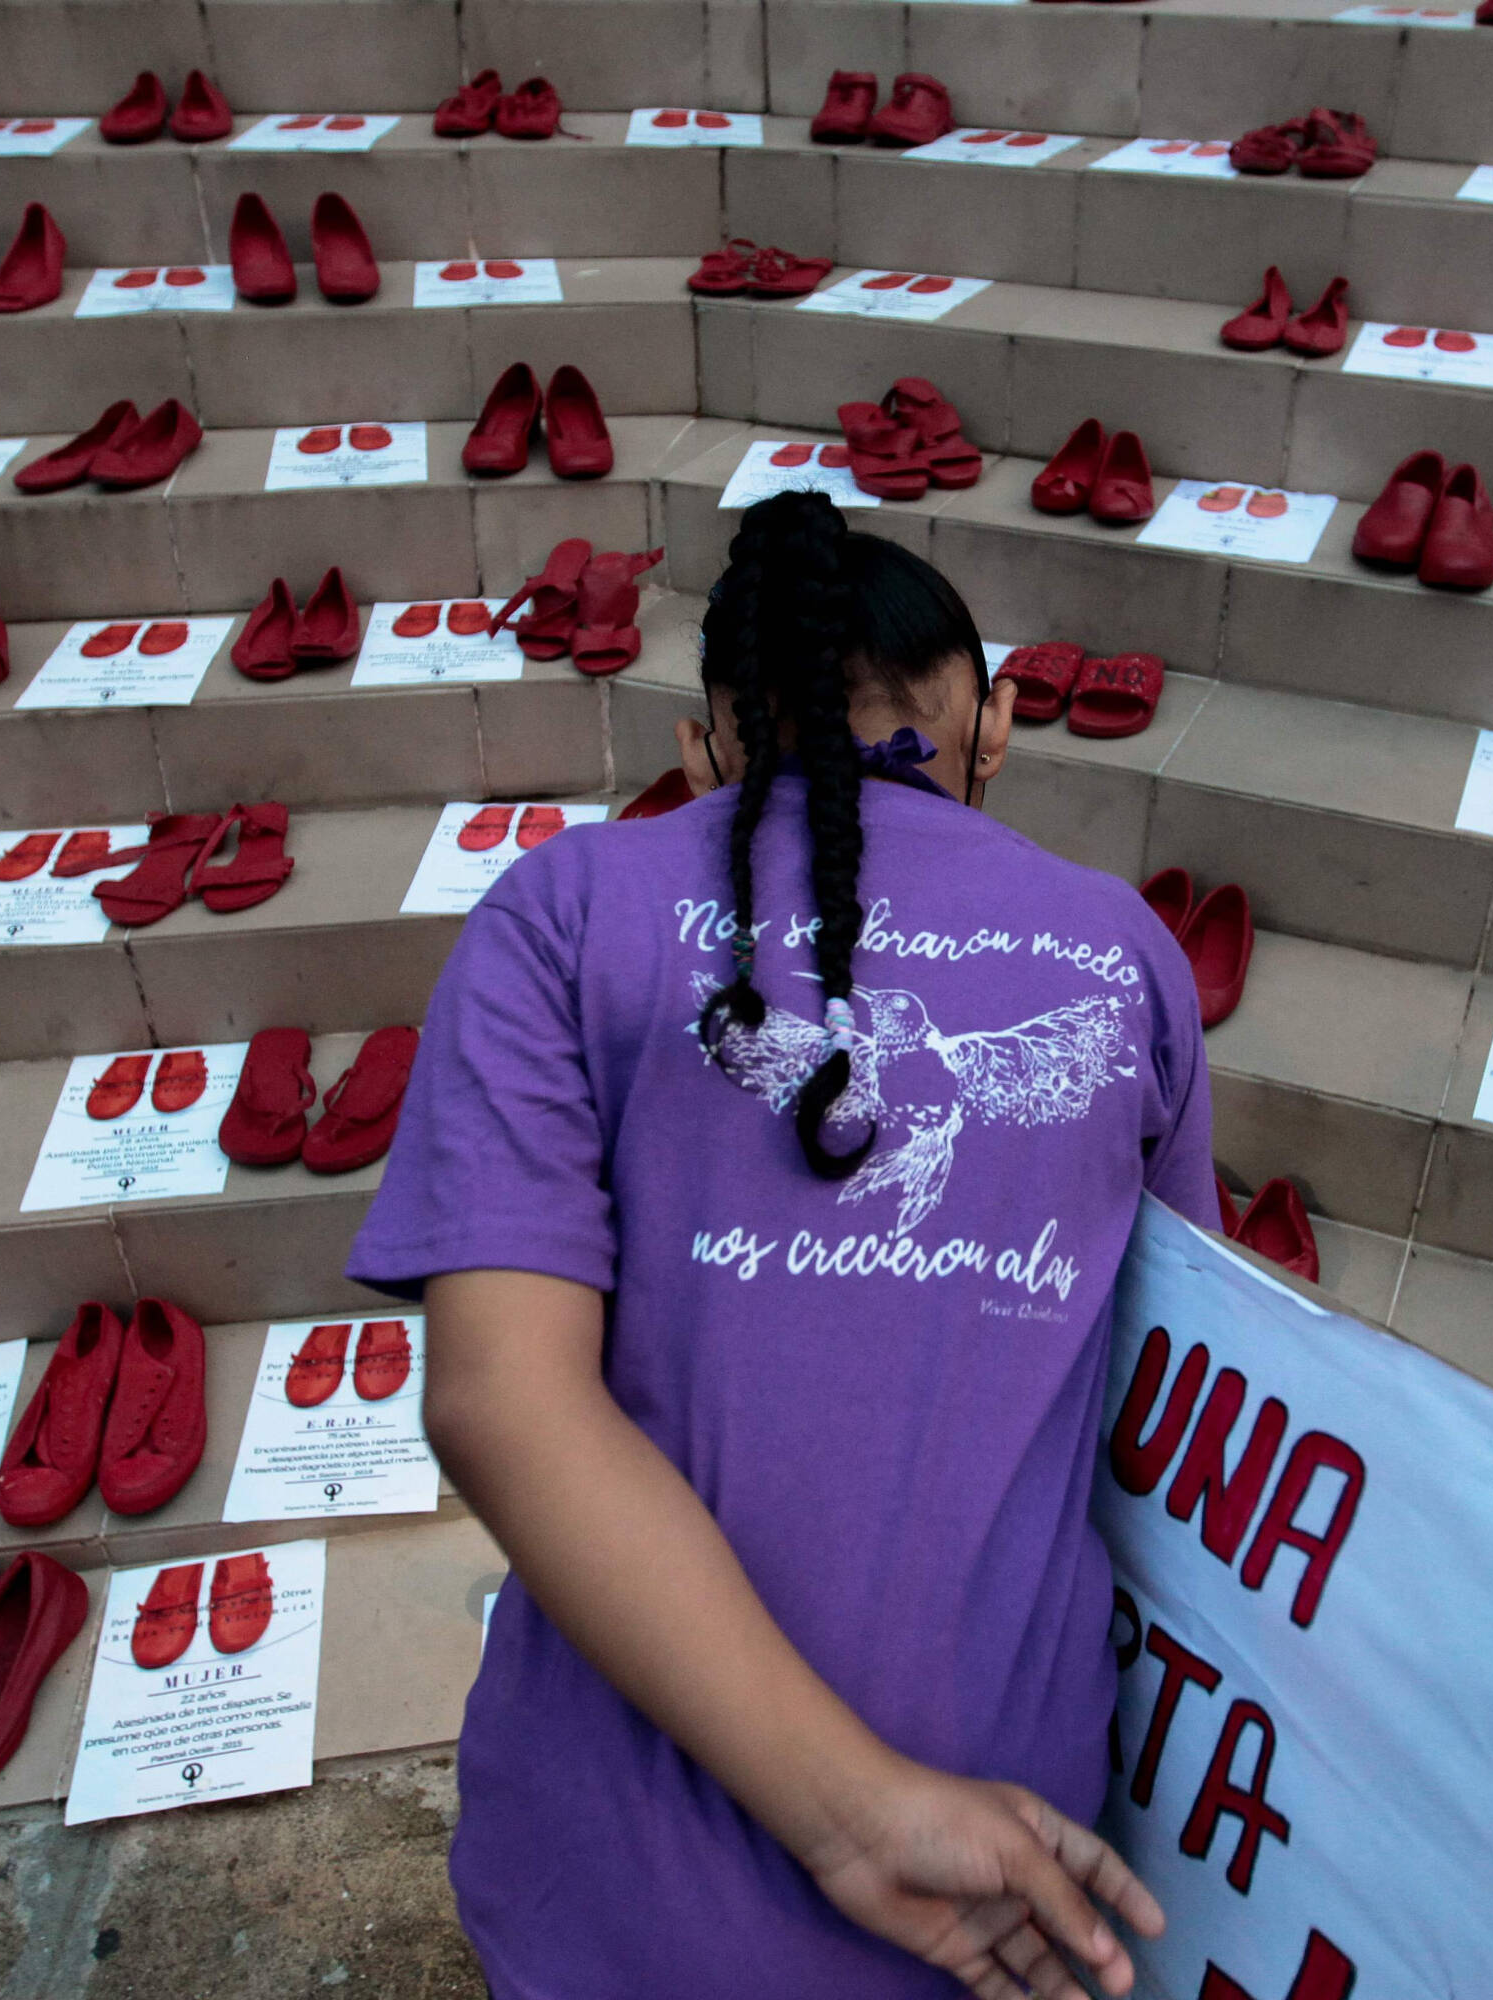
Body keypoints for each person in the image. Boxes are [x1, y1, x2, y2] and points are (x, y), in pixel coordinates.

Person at [347, 490, 1218, 1999]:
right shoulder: (1127, 951)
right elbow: (1180, 1387)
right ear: (994, 725)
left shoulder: (564, 908)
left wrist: (850, 1820)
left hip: (616, 1885)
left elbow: (497, 1397)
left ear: (703, 749)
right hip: (1011, 1870)